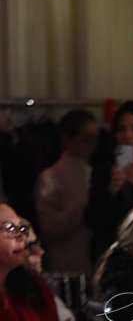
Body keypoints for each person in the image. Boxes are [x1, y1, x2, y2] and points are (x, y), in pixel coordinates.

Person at [87, 100, 133, 263]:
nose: (128, 135)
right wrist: (110, 193)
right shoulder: (104, 170)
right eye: (122, 129)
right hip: (112, 253)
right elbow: (91, 220)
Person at [34, 109, 99, 277]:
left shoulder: (94, 172)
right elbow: (48, 227)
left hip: (94, 263)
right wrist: (86, 203)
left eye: (95, 138)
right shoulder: (51, 177)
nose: (92, 144)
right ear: (68, 138)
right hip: (64, 267)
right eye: (86, 138)